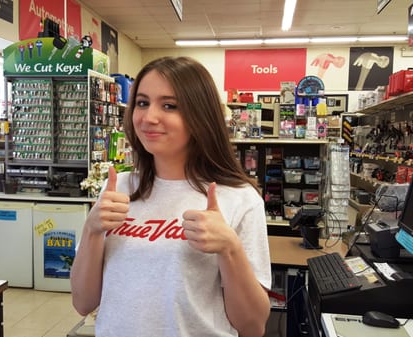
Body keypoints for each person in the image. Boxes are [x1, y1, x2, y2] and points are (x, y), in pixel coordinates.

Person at [70, 56, 272, 337]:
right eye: (142, 102)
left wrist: (230, 249)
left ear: (200, 116)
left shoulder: (238, 198)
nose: (149, 117)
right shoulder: (118, 189)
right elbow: (83, 302)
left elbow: (252, 326)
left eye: (169, 106)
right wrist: (92, 229)